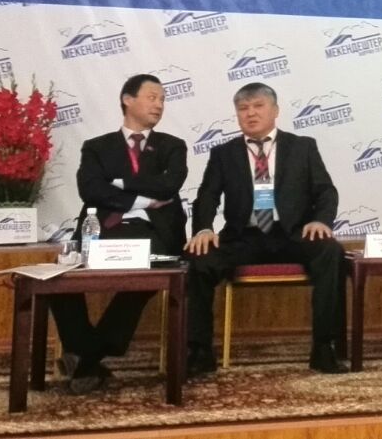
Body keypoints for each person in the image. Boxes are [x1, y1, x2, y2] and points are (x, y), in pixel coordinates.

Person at [184, 82, 346, 376]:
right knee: (200, 258)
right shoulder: (224, 153)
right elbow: (207, 196)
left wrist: (321, 220)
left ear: (275, 110)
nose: (251, 113)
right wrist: (204, 228)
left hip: (292, 234)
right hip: (244, 237)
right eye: (243, 108)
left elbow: (325, 190)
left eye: (258, 106)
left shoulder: (302, 147)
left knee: (330, 251)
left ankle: (324, 347)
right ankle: (199, 351)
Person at [52, 74, 188, 393]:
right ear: (128, 100)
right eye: (152, 97)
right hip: (102, 228)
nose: (159, 104)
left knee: (144, 280)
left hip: (154, 231)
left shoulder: (172, 146)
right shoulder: (96, 147)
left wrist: (119, 183)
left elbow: (169, 185)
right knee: (59, 281)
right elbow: (90, 189)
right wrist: (142, 199)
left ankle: (84, 357)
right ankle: (89, 353)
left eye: (162, 99)